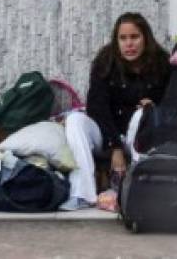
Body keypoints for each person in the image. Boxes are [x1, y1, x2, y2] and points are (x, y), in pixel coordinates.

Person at [62, 12, 170, 210]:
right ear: (116, 40)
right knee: (75, 120)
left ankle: (138, 192)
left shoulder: (161, 63)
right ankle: (82, 193)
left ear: (146, 38)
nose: (129, 44)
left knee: (143, 114)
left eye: (134, 37)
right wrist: (115, 146)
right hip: (108, 134)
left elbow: (172, 101)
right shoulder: (106, 61)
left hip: (139, 136)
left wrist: (154, 106)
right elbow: (97, 106)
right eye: (123, 38)